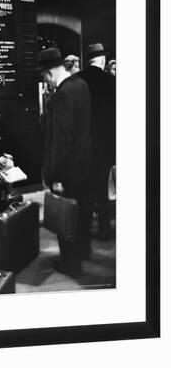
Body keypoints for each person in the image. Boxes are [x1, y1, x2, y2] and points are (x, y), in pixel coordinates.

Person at [37, 47, 92, 275]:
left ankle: (71, 264)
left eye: (43, 77)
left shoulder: (63, 94)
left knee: (66, 218)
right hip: (84, 165)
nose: (45, 82)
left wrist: (55, 176)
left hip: (68, 171)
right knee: (80, 216)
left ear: (49, 73)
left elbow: (61, 141)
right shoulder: (81, 85)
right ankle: (81, 253)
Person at [78, 43, 116, 240]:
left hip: (84, 146)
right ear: (102, 61)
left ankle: (83, 234)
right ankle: (104, 230)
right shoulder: (112, 82)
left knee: (85, 191)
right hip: (106, 145)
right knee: (102, 188)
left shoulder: (79, 80)